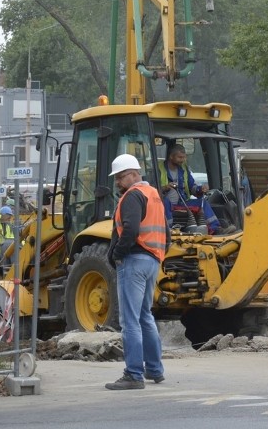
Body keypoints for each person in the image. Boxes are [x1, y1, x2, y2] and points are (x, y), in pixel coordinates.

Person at [105, 154, 170, 391]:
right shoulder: (154, 195)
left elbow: (130, 229)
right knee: (145, 316)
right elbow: (166, 232)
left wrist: (118, 253)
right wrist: (158, 255)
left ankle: (133, 374)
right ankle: (154, 369)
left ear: (134, 174)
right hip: (152, 260)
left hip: (134, 260)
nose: (117, 183)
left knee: (129, 320)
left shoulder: (132, 196)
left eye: (121, 177)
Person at [157, 143, 230, 234]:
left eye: (184, 157)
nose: (183, 160)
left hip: (182, 202)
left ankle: (216, 229)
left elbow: (192, 187)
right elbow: (151, 189)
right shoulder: (158, 169)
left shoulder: (184, 169)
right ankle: (168, 231)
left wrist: (200, 189)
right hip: (163, 204)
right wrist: (165, 187)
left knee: (203, 202)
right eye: (180, 157)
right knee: (166, 202)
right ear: (171, 156)